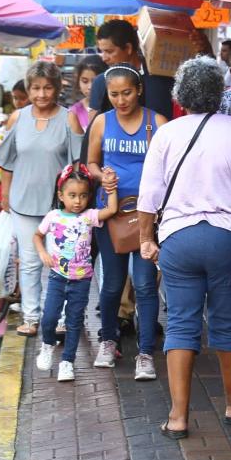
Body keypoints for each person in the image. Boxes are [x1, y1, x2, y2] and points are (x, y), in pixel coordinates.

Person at [137, 58, 231, 439]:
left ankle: (179, 417)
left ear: (180, 96)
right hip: (226, 238)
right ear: (219, 92)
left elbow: (149, 196)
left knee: (181, 323)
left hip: (178, 239)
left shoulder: (166, 133)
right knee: (226, 323)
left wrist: (147, 239)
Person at [86, 64, 167, 381]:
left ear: (140, 90)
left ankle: (145, 352)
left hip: (147, 215)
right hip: (111, 215)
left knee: (146, 284)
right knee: (111, 285)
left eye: (127, 93)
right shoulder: (101, 123)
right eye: (114, 94)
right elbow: (91, 162)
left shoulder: (156, 123)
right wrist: (100, 174)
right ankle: (109, 340)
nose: (121, 100)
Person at [0, 61, 84, 337]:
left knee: (63, 261)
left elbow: (78, 165)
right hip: (22, 201)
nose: (42, 94)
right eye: (35, 88)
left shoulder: (69, 118)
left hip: (59, 205)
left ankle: (63, 318)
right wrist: (5, 194)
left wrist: (77, 201)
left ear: (57, 89)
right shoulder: (17, 118)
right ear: (28, 89)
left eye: (47, 88)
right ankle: (31, 317)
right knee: (30, 262)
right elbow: (7, 162)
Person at [35, 165, 119, 381]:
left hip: (81, 279)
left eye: (83, 195)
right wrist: (43, 252)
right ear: (60, 195)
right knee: (49, 317)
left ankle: (67, 362)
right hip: (57, 277)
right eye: (72, 195)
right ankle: (47, 344)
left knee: (74, 322)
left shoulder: (89, 216)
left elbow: (111, 210)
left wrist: (111, 186)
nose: (77, 201)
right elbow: (37, 235)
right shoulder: (53, 216)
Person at [88, 19, 173, 119]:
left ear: (128, 48)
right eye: (114, 94)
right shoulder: (100, 82)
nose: (104, 58)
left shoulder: (162, 78)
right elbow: (94, 128)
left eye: (109, 51)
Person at [69, 55, 106, 131]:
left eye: (95, 81)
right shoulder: (75, 112)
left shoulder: (114, 108)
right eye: (85, 81)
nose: (90, 87)